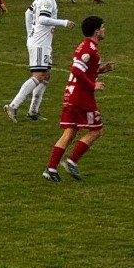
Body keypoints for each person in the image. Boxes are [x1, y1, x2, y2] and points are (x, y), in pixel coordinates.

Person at [42, 16, 115, 182]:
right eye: (102, 27)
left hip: (72, 93)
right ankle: (71, 161)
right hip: (81, 96)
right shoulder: (90, 48)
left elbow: (83, 69)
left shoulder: (87, 46)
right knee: (96, 130)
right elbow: (76, 69)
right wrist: (92, 85)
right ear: (97, 31)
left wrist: (102, 70)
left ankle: (51, 168)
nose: (104, 30)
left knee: (70, 131)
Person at [5, 0, 75, 123]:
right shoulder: (46, 0)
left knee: (46, 74)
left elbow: (27, 14)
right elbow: (43, 19)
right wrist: (63, 23)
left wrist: (30, 32)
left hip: (42, 41)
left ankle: (33, 111)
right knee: (38, 75)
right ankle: (13, 105)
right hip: (40, 43)